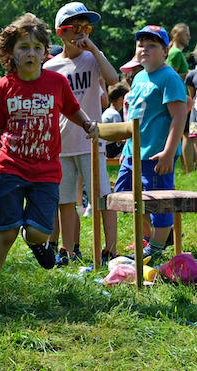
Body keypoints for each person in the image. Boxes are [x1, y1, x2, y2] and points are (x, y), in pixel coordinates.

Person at [0, 13, 97, 306]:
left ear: (45, 52)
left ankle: (35, 240)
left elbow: (72, 110)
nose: (31, 53)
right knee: (6, 232)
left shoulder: (56, 82)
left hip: (45, 171)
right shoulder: (2, 87)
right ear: (12, 52)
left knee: (39, 232)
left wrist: (88, 124)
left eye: (37, 47)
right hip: (10, 167)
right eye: (24, 47)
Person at [43, 2, 119, 266]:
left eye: (86, 28)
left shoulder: (91, 58)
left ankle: (111, 250)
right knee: (65, 200)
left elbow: (113, 80)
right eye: (73, 28)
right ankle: (69, 250)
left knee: (102, 198)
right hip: (62, 145)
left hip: (90, 142)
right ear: (59, 33)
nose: (80, 34)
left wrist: (95, 50)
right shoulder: (50, 68)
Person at [114, 25, 187, 261]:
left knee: (159, 203)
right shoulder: (139, 77)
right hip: (133, 153)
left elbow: (179, 116)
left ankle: (154, 249)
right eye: (141, 45)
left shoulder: (169, 77)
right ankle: (152, 238)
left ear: (165, 51)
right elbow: (133, 116)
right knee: (123, 196)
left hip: (156, 154)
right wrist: (126, 149)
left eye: (152, 45)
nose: (144, 49)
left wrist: (168, 152)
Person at [166, 23, 192, 174]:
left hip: (182, 98)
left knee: (186, 134)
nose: (189, 36)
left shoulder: (176, 53)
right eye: (186, 33)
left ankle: (186, 168)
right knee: (187, 134)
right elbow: (172, 76)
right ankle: (188, 170)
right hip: (179, 98)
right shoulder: (175, 53)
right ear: (177, 35)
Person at [102, 82, 129, 159]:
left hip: (104, 147)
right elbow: (119, 137)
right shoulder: (115, 115)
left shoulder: (107, 111)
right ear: (121, 99)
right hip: (109, 149)